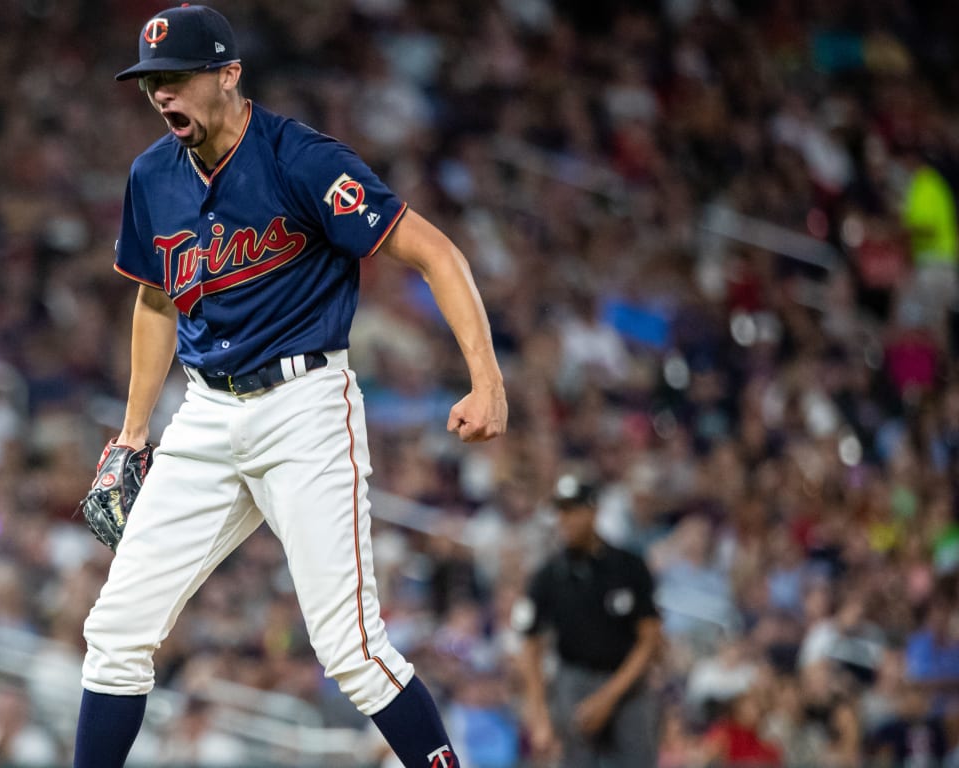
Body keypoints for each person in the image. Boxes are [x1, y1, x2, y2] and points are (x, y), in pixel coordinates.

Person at [73, 6, 508, 767]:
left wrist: (487, 379)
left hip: (304, 409)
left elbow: (435, 252)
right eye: (151, 84)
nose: (161, 96)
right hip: (206, 413)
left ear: (229, 74)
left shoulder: (302, 159)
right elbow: (154, 297)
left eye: (175, 79)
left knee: (351, 648)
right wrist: (134, 432)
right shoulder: (151, 175)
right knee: (114, 632)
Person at [516, 477, 662, 768]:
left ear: (593, 512)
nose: (565, 520)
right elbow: (530, 645)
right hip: (574, 684)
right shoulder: (548, 576)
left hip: (627, 686)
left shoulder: (628, 566)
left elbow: (650, 639)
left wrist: (608, 697)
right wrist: (539, 714)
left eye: (573, 510)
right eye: (561, 512)